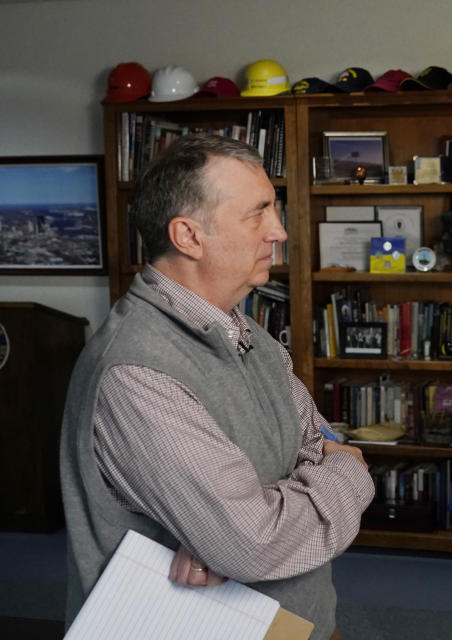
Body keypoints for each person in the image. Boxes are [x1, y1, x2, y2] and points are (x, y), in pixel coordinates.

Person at [60, 134, 374, 639]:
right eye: (258, 214)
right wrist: (353, 474)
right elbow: (257, 543)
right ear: (188, 236)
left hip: (298, 622)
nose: (279, 232)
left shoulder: (254, 339)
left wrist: (224, 534)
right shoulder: (136, 372)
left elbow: (321, 448)